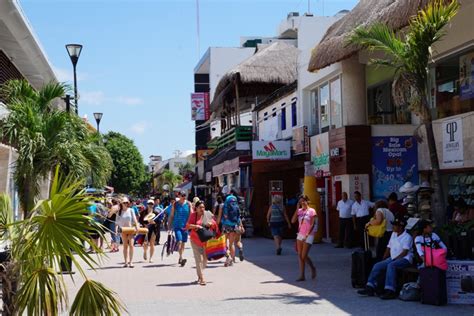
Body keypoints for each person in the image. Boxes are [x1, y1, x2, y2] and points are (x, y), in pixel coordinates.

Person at [357, 217, 413, 299]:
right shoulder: (393, 234)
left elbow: (404, 253)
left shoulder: (407, 237)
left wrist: (393, 260)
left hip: (405, 259)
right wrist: (383, 259)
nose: (393, 227)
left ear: (400, 227)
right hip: (393, 258)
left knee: (391, 265)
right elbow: (388, 247)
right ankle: (370, 287)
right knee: (377, 265)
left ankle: (390, 290)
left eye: (395, 225)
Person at [186, 201, 217, 286]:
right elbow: (187, 226)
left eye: (203, 207)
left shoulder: (208, 214)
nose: (202, 209)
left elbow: (215, 223)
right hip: (195, 240)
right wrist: (196, 226)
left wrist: (211, 224)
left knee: (205, 260)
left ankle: (200, 275)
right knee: (198, 260)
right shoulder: (193, 215)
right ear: (196, 208)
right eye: (200, 207)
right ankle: (202, 278)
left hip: (206, 241)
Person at [291, 195, 317, 282]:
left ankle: (312, 268)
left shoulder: (312, 211)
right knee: (299, 255)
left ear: (307, 201)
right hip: (300, 234)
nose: (302, 203)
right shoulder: (299, 211)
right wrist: (297, 209)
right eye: (300, 201)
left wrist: (307, 234)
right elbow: (293, 221)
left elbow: (313, 224)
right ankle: (302, 275)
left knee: (304, 255)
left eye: (303, 201)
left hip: (309, 234)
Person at [168, 190, 192, 267]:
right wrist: (169, 226)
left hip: (185, 227)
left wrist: (191, 206)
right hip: (177, 226)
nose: (184, 197)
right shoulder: (175, 204)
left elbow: (191, 215)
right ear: (179, 196)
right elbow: (171, 216)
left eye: (185, 195)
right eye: (182, 195)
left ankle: (180, 256)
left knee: (183, 243)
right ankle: (181, 258)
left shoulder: (188, 204)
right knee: (180, 241)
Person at [116, 197, 139, 268]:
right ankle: (126, 262)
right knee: (125, 246)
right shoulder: (119, 212)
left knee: (131, 245)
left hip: (130, 229)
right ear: (121, 204)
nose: (126, 204)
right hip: (123, 230)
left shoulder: (131, 210)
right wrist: (116, 230)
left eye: (127, 203)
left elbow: (135, 219)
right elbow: (116, 223)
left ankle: (131, 262)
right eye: (124, 203)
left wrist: (137, 226)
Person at [221, 191, 241, 266]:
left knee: (224, 242)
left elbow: (225, 216)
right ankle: (233, 258)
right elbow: (238, 217)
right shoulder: (236, 205)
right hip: (234, 225)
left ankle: (228, 256)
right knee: (232, 243)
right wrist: (239, 224)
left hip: (226, 225)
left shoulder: (225, 204)